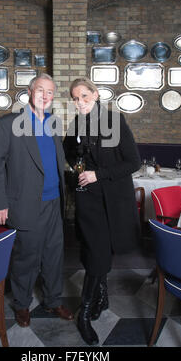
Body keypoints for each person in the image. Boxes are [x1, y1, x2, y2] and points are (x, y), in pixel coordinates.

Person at [0, 73, 74, 328]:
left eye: (50, 92)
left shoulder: (54, 123)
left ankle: (53, 299)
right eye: (40, 90)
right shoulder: (8, 123)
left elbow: (57, 161)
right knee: (26, 257)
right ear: (29, 92)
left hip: (55, 202)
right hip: (25, 203)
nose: (45, 96)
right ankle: (22, 304)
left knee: (54, 255)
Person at [63, 78, 141, 345]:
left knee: (102, 252)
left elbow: (134, 162)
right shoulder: (77, 124)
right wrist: (79, 168)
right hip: (88, 200)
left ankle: (91, 306)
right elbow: (68, 152)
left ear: (95, 95)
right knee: (95, 251)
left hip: (113, 201)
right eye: (75, 98)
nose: (80, 102)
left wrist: (98, 174)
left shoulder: (114, 122)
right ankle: (90, 308)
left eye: (84, 96)